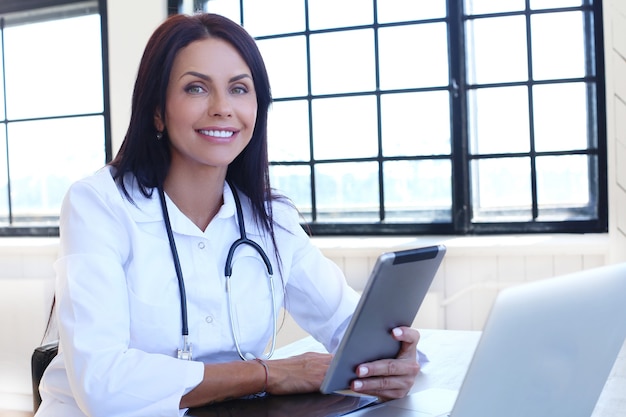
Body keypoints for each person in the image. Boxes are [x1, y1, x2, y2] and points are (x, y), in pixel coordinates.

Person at [35, 13, 421, 417]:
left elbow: (349, 329)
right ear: (157, 112)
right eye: (196, 88)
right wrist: (267, 375)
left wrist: (392, 362)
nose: (222, 108)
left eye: (239, 89)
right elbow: (103, 386)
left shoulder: (271, 219)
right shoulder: (99, 205)